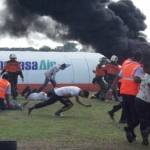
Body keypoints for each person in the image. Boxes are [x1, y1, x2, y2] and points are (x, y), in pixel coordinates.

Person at [118, 51, 144, 143]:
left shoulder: (126, 64)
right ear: (140, 58)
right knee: (137, 116)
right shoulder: (139, 67)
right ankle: (129, 129)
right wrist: (144, 79)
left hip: (124, 91)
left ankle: (131, 135)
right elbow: (137, 79)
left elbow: (120, 76)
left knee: (129, 115)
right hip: (133, 93)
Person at [135, 62, 150, 145]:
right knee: (146, 120)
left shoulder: (144, 75)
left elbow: (136, 79)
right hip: (146, 101)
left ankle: (145, 139)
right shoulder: (148, 76)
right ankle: (146, 133)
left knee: (142, 120)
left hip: (138, 99)